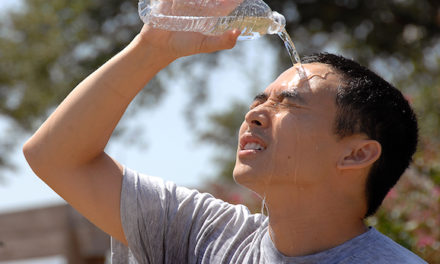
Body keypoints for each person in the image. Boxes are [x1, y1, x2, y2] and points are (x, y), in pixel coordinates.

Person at [23, 21, 426, 263]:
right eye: (259, 100)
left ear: (356, 154)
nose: (254, 115)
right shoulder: (204, 236)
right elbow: (56, 158)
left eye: (289, 104)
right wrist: (152, 48)